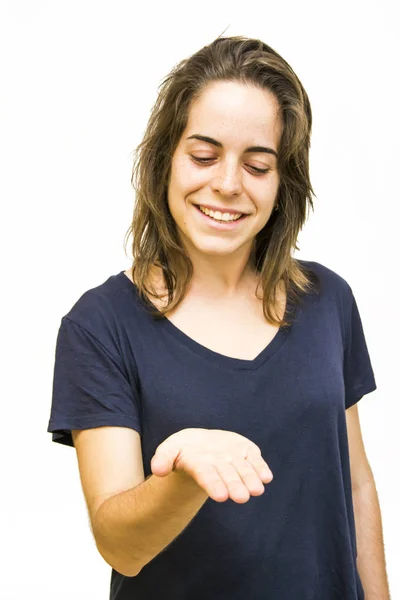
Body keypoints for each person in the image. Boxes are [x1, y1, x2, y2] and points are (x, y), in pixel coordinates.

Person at [47, 35, 390, 599]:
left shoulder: (329, 301)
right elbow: (120, 546)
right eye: (204, 156)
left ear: (283, 185)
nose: (227, 184)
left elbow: (355, 486)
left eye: (257, 165)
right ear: (165, 161)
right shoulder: (100, 326)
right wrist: (183, 474)